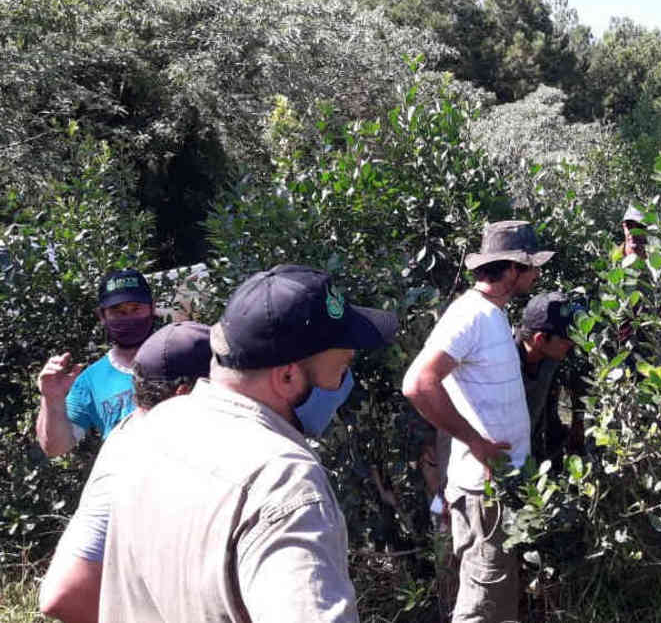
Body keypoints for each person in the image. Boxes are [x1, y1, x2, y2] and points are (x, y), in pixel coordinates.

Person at [100, 264, 396, 622]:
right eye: (341, 366)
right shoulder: (283, 482)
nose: (343, 381)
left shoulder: (154, 427)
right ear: (288, 376)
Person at [402, 220, 553, 623]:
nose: (537, 274)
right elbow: (418, 384)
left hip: (498, 491)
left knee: (497, 604)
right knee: (480, 609)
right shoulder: (469, 315)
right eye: (531, 266)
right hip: (483, 494)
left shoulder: (492, 314)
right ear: (510, 269)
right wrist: (476, 442)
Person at [39, 321, 213, 623]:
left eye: (134, 308)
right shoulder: (132, 455)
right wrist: (52, 400)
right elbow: (63, 595)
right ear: (185, 393)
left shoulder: (196, 447)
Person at [36, 269, 157, 456]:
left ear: (152, 307)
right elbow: (54, 448)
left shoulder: (185, 353)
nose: (128, 317)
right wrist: (51, 399)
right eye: (118, 311)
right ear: (102, 316)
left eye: (136, 309)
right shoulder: (91, 381)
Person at [516, 291, 587, 461]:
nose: (573, 343)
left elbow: (578, 377)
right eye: (567, 339)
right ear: (540, 339)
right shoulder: (502, 364)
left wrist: (578, 423)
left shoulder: (551, 357)